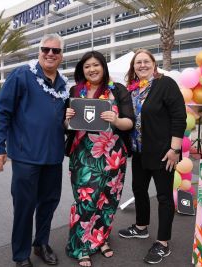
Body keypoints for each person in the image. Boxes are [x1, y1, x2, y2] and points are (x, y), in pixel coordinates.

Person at [0, 33, 69, 267]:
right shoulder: (23, 75)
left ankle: (40, 244)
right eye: (46, 49)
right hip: (26, 157)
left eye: (55, 51)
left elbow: (65, 121)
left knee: (49, 203)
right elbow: (2, 111)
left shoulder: (64, 85)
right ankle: (21, 254)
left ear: (61, 55)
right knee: (24, 207)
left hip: (53, 156)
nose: (50, 54)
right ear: (39, 51)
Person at [64, 51, 134, 267]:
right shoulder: (76, 91)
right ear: (82, 70)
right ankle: (80, 246)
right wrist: (66, 120)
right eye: (87, 66)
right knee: (86, 201)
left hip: (113, 154)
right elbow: (66, 127)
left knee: (108, 200)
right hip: (84, 154)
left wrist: (116, 119)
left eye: (96, 65)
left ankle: (100, 239)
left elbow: (129, 123)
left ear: (103, 67)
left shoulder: (117, 90)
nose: (92, 69)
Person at [118, 49, 186, 264]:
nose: (142, 65)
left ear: (153, 64)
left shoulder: (165, 84)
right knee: (139, 189)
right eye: (138, 63)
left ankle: (163, 243)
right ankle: (141, 227)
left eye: (146, 61)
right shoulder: (134, 90)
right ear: (134, 67)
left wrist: (174, 149)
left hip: (163, 153)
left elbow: (179, 117)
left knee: (164, 197)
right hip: (140, 151)